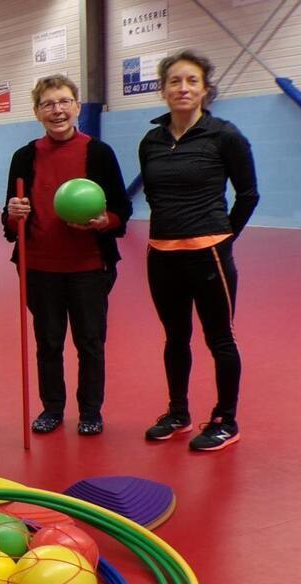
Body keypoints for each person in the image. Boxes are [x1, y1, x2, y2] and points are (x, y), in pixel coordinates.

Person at [139, 50, 258, 451]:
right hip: (161, 255)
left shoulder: (224, 135)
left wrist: (224, 237)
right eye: (175, 81)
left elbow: (248, 194)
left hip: (208, 254)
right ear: (163, 90)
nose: (183, 88)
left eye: (192, 81)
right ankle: (178, 412)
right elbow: (154, 195)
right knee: (175, 338)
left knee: (220, 339)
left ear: (205, 89)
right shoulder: (151, 140)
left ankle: (226, 418)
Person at [2, 75, 132, 436]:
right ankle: (52, 408)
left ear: (77, 106)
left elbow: (121, 211)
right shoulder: (25, 156)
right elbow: (10, 222)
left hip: (89, 267)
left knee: (90, 342)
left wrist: (105, 221)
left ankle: (91, 410)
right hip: (40, 267)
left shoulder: (99, 153)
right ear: (37, 111)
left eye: (64, 102)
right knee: (49, 342)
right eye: (48, 103)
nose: (57, 110)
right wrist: (14, 211)